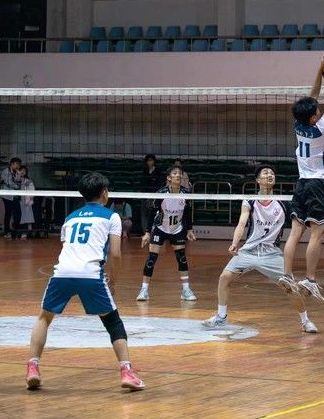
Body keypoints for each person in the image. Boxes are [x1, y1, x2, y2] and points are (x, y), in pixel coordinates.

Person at [25, 172, 144, 391]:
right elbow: (115, 254)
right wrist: (113, 281)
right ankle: (127, 371)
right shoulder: (111, 217)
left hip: (62, 272)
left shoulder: (71, 217)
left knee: (44, 318)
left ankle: (33, 368)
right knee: (113, 322)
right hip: (90, 273)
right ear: (105, 193)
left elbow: (68, 246)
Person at [202, 165, 324, 333]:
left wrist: (323, 232)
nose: (270, 175)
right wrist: (235, 242)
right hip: (249, 250)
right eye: (266, 173)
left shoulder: (284, 203)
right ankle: (221, 317)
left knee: (290, 287)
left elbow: (302, 221)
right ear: (257, 180)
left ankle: (305, 321)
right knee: (224, 278)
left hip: (271, 253)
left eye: (272, 173)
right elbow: (241, 223)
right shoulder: (250, 201)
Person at [282, 51, 324, 303]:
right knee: (316, 234)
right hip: (318, 183)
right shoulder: (321, 128)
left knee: (295, 232)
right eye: (317, 111)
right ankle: (310, 279)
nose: (320, 110)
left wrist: (320, 69)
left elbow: (312, 97)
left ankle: (287, 274)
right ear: (313, 117)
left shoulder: (298, 125)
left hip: (300, 183)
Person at [136, 166, 197, 302]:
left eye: (180, 174)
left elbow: (187, 213)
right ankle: (144, 290)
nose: (178, 175)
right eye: (175, 173)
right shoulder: (162, 193)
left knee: (182, 259)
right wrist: (147, 233)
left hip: (177, 229)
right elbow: (152, 213)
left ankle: (186, 290)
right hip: (161, 229)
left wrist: (189, 229)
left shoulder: (186, 193)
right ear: (169, 178)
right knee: (151, 259)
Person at [0, 157, 22, 239]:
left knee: (18, 213)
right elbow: (10, 183)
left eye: (19, 164)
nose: (18, 166)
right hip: (6, 195)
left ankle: (15, 231)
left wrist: (19, 176)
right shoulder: (6, 172)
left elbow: (19, 182)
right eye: (16, 164)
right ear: (12, 164)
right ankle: (7, 231)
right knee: (8, 213)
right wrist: (17, 186)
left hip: (14, 195)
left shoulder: (17, 172)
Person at [141, 154, 163, 233]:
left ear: (154, 161)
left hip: (155, 196)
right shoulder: (144, 171)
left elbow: (159, 183)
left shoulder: (158, 171)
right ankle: (145, 232)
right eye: (148, 160)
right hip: (145, 196)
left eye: (151, 160)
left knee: (154, 214)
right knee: (144, 214)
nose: (150, 162)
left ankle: (154, 231)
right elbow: (143, 183)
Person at [18, 165, 36, 240]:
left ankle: (29, 232)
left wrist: (30, 199)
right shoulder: (17, 180)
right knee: (20, 216)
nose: (22, 172)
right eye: (21, 170)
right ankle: (20, 232)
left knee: (29, 216)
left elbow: (32, 190)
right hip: (19, 201)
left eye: (24, 171)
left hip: (27, 202)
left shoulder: (29, 181)